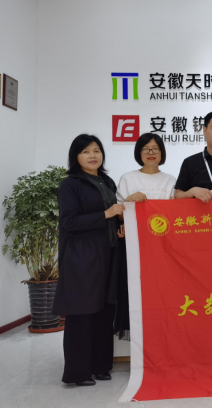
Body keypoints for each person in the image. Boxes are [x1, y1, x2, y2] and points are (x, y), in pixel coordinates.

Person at [53, 134, 125, 386]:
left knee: (105, 311)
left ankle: (101, 365)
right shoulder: (69, 185)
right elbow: (69, 222)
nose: (92, 156)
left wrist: (118, 227)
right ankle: (78, 372)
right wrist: (106, 214)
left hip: (109, 254)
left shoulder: (107, 181)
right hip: (82, 258)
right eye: (85, 152)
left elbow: (112, 216)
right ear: (76, 157)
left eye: (96, 150)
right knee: (82, 313)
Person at [114, 133, 176, 341]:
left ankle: (161, 337)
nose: (151, 153)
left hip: (162, 249)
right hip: (134, 248)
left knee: (160, 293)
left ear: (162, 152)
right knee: (135, 292)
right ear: (138, 152)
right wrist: (129, 201)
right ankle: (138, 343)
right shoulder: (127, 178)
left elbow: (174, 216)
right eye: (146, 149)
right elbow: (118, 214)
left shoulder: (170, 180)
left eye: (155, 148)